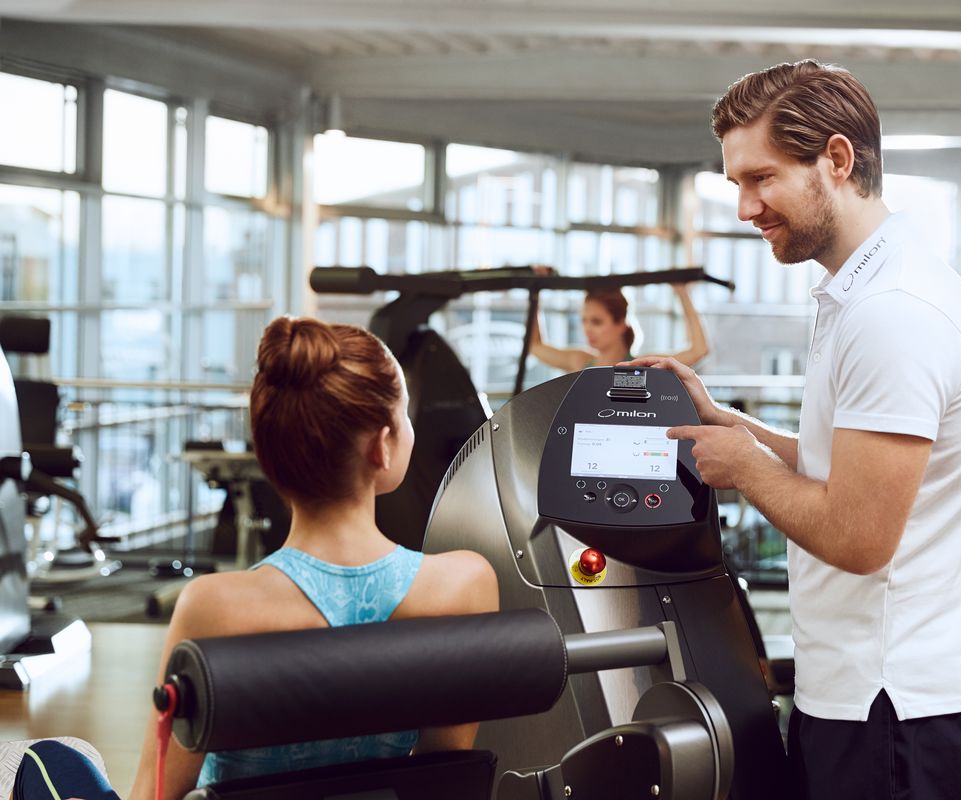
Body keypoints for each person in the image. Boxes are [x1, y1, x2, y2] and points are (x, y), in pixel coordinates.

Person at [627, 60, 961, 800]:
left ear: (836, 160)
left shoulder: (892, 312)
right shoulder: (869, 288)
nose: (744, 207)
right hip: (877, 693)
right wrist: (728, 424)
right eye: (736, 182)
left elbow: (860, 534)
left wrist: (742, 467)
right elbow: (849, 467)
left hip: (893, 704)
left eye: (760, 178)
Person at [126, 317, 499, 800]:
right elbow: (437, 780)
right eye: (405, 414)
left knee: (51, 761)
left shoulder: (212, 608)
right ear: (381, 445)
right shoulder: (462, 587)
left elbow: (155, 793)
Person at [529, 281, 709, 371]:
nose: (587, 329)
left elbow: (698, 350)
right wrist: (535, 292)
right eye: (584, 320)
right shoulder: (580, 361)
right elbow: (535, 346)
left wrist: (682, 293)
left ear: (621, 324)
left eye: (597, 322)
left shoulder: (645, 365)